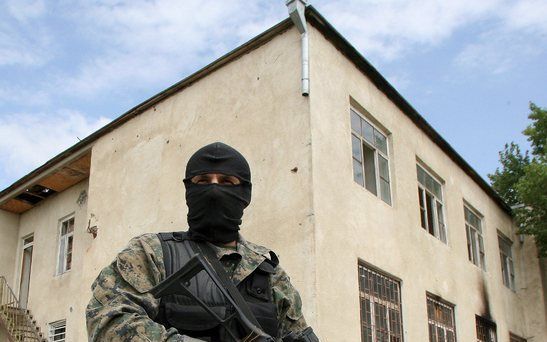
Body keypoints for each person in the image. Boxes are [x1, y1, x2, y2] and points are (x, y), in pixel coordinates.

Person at [86, 142, 318, 341]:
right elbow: (107, 323)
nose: (214, 190)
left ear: (245, 194)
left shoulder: (269, 273)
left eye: (227, 182)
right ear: (189, 190)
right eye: (203, 180)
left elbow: (296, 331)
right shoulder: (150, 253)